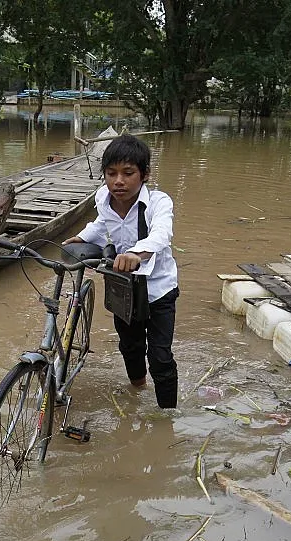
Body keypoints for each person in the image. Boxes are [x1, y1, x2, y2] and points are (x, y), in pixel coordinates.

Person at [63, 134, 179, 408]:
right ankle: (138, 389)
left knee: (160, 357)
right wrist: (81, 237)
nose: (118, 181)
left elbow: (162, 234)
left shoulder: (159, 203)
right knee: (130, 346)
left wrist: (136, 254)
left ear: (145, 174)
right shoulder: (103, 198)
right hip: (124, 288)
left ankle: (167, 416)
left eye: (128, 173)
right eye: (111, 173)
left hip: (159, 290)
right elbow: (102, 223)